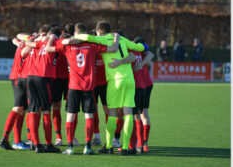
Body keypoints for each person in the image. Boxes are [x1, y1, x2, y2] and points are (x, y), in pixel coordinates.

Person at [45, 23, 120, 155]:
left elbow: (49, 48)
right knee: (89, 116)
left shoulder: (68, 46)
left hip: (73, 86)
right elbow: (113, 49)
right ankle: (88, 147)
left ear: (75, 33)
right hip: (88, 87)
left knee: (70, 116)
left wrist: (53, 38)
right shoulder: (92, 46)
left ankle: (70, 147)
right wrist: (117, 37)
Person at [74, 21, 147, 155]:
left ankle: (108, 146)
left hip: (115, 80)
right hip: (130, 80)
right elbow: (140, 48)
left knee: (112, 114)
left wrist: (73, 37)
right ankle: (125, 148)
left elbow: (85, 37)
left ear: (99, 31)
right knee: (128, 113)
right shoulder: (122, 38)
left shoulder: (101, 39)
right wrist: (143, 44)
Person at [23, 25, 62, 153]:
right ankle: (49, 144)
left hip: (31, 77)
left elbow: (27, 42)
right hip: (44, 78)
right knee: (46, 111)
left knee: (33, 110)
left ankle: (36, 144)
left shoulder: (39, 41)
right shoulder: (56, 42)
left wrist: (37, 36)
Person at [0, 36, 31, 150]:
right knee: (18, 108)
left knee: (21, 110)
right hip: (19, 78)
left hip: (19, 77)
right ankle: (6, 139)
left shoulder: (22, 43)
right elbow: (22, 50)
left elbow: (15, 38)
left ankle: (17, 141)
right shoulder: (28, 46)